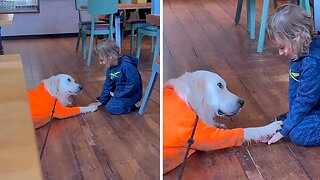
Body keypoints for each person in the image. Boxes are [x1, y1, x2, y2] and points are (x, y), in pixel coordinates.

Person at [266, 4, 320, 146]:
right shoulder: (299, 52)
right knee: (283, 122)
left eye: (282, 47)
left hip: (313, 104)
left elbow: (305, 99)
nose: (280, 53)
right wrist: (290, 119)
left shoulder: (312, 63)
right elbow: (296, 91)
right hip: (315, 104)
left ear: (299, 36)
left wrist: (285, 130)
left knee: (299, 135)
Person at [92, 38, 143, 115]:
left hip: (131, 93)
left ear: (110, 56)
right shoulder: (110, 69)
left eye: (102, 60)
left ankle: (133, 105)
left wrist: (119, 94)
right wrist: (101, 101)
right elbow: (107, 85)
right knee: (106, 100)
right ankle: (115, 99)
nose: (100, 63)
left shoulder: (127, 66)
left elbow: (134, 84)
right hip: (120, 91)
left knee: (110, 108)